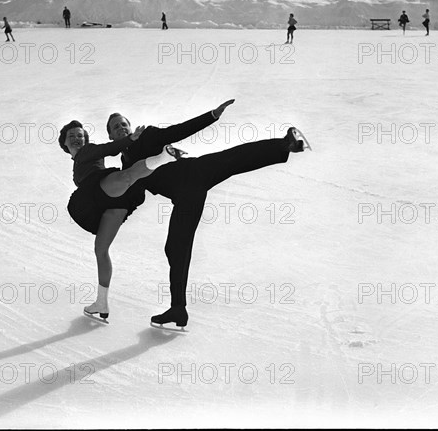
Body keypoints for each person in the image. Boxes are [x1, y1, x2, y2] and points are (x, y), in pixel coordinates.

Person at [96, 101, 311, 329]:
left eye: (123, 124)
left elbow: (178, 130)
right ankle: (178, 309)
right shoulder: (125, 165)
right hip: (186, 197)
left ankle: (286, 144)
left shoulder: (147, 136)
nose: (121, 128)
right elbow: (133, 194)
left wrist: (212, 116)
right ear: (111, 136)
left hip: (194, 171)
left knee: (233, 159)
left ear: (130, 127)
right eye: (115, 127)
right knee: (175, 248)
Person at [58, 120, 177, 319]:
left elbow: (107, 148)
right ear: (64, 144)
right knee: (100, 249)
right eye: (72, 136)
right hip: (112, 203)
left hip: (104, 187)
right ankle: (101, 302)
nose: (77, 139)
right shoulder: (78, 161)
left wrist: (130, 139)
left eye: (80, 135)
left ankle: (163, 158)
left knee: (127, 177)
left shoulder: (88, 151)